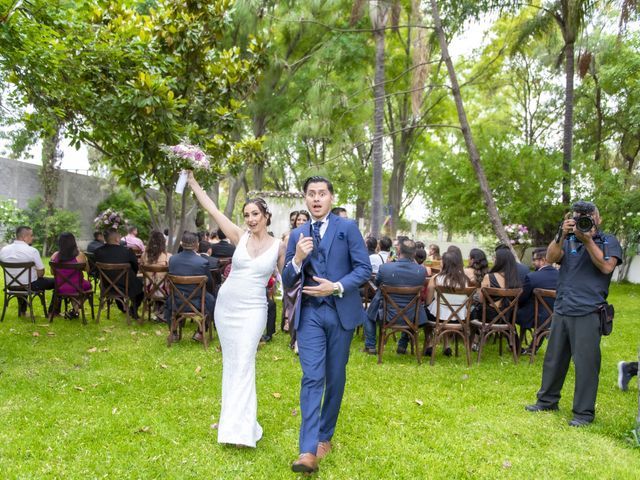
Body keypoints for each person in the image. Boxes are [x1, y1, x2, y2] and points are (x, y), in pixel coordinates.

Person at [187, 171, 285, 448]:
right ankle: (233, 422)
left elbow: (288, 277)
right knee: (232, 364)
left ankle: (241, 429)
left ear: (265, 216)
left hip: (254, 310)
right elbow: (212, 208)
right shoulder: (238, 236)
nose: (251, 219)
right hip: (227, 307)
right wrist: (193, 182)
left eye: (255, 214)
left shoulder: (279, 246)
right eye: (247, 215)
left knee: (244, 362)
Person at [282, 176, 371, 473]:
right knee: (311, 376)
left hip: (340, 312)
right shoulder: (297, 234)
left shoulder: (347, 228)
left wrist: (335, 286)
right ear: (305, 199)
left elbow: (364, 269)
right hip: (310, 314)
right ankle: (307, 451)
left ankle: (325, 435)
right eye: (311, 194)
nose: (316, 199)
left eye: (322, 193)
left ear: (331, 198)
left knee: (335, 376)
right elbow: (287, 279)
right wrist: (296, 258)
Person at [525, 201, 622, 427]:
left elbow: (607, 267)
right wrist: (561, 234)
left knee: (586, 364)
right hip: (563, 307)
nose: (583, 221)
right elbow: (550, 258)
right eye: (579, 217)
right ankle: (547, 400)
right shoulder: (568, 240)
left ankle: (583, 413)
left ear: (598, 218)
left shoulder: (609, 241)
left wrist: (588, 240)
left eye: (588, 217)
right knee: (554, 359)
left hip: (589, 310)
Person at [362, 238, 426, 355]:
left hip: (386, 315)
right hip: (411, 316)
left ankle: (370, 346)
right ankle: (402, 346)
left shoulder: (386, 268)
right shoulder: (421, 271)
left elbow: (376, 283)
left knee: (368, 314)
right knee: (410, 308)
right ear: (414, 253)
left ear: (398, 251)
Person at [164, 232, 215, 342]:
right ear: (197, 245)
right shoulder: (202, 262)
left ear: (182, 244)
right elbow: (210, 283)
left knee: (168, 300)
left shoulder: (172, 260)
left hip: (176, 302)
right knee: (211, 300)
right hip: (197, 303)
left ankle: (173, 333)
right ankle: (200, 332)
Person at [0, 225, 55, 316]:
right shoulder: (32, 251)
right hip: (29, 285)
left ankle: (22, 311)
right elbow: (41, 273)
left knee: (23, 280)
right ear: (24, 237)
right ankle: (53, 311)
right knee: (57, 281)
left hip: (11, 286)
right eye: (31, 235)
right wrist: (35, 275)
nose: (33, 238)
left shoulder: (4, 250)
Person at [424, 250, 470, 356]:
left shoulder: (436, 278)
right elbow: (467, 303)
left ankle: (430, 343)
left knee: (428, 310)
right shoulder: (465, 280)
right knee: (447, 311)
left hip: (438, 317)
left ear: (444, 263)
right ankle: (446, 345)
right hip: (460, 318)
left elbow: (428, 300)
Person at [94, 228, 144, 319]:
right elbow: (135, 267)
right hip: (125, 286)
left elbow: (96, 271)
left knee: (123, 282)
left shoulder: (98, 252)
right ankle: (133, 310)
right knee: (140, 286)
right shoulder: (127, 251)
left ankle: (123, 308)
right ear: (117, 239)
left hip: (106, 286)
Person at [516, 248, 559, 338]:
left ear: (543, 260)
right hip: (556, 317)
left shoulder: (532, 277)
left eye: (534, 260)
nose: (533, 263)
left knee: (512, 313)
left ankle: (516, 345)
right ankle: (533, 347)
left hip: (533, 318)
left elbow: (522, 299)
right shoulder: (562, 276)